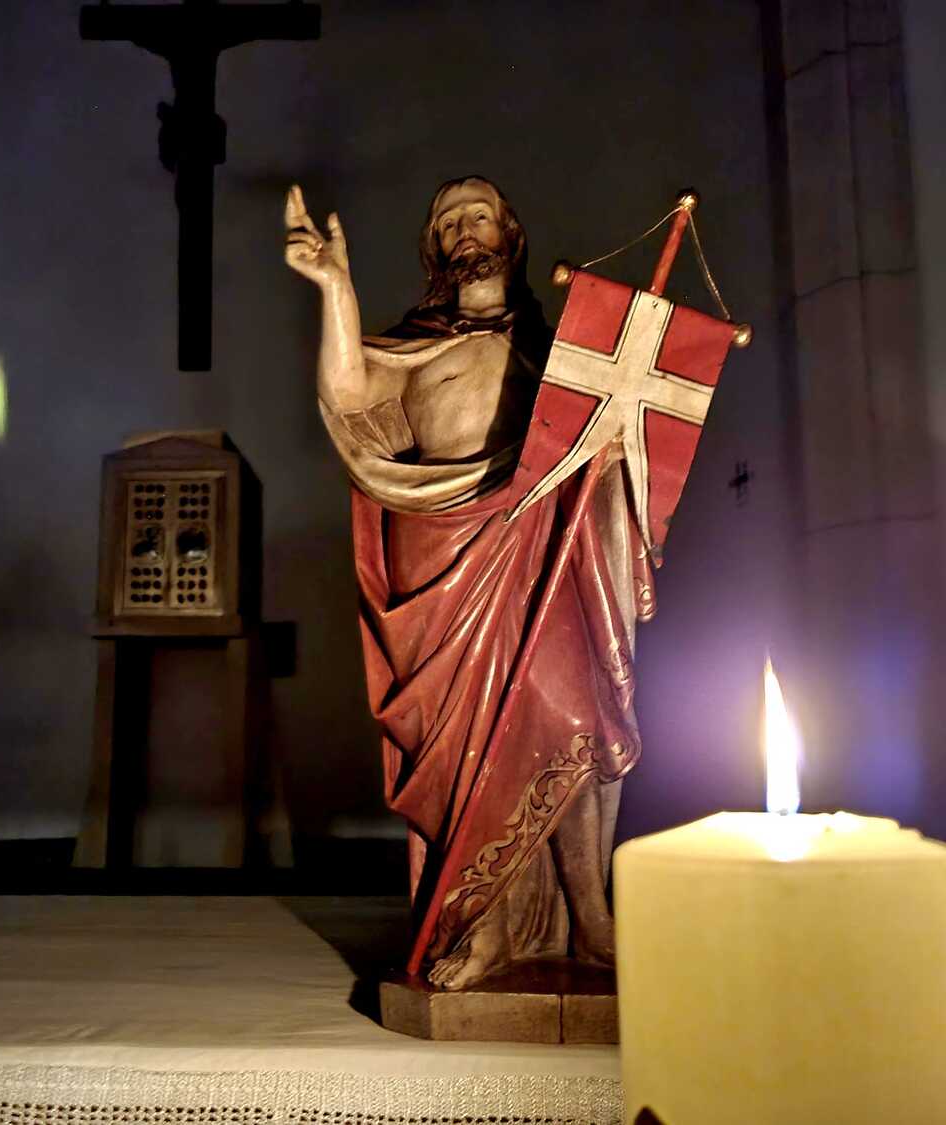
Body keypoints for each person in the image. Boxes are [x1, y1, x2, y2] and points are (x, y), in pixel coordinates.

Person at [284, 177, 654, 990]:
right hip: (440, 552)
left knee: (570, 720)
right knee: (464, 751)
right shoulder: (412, 346)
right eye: (447, 220)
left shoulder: (558, 350)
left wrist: (608, 442)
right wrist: (336, 287)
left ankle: (591, 916)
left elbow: (612, 436)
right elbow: (348, 393)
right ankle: (477, 926)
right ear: (433, 248)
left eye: (477, 214)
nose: (462, 228)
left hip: (534, 538)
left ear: (509, 234)